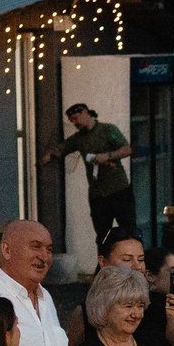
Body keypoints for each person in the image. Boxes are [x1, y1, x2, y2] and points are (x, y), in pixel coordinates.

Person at [60, 103, 134, 243]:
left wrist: (107, 156)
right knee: (102, 234)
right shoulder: (78, 138)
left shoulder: (107, 130)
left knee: (129, 229)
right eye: (72, 120)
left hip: (118, 188)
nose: (75, 123)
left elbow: (126, 149)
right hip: (98, 193)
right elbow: (63, 148)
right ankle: (103, 262)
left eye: (76, 118)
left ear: (85, 112)